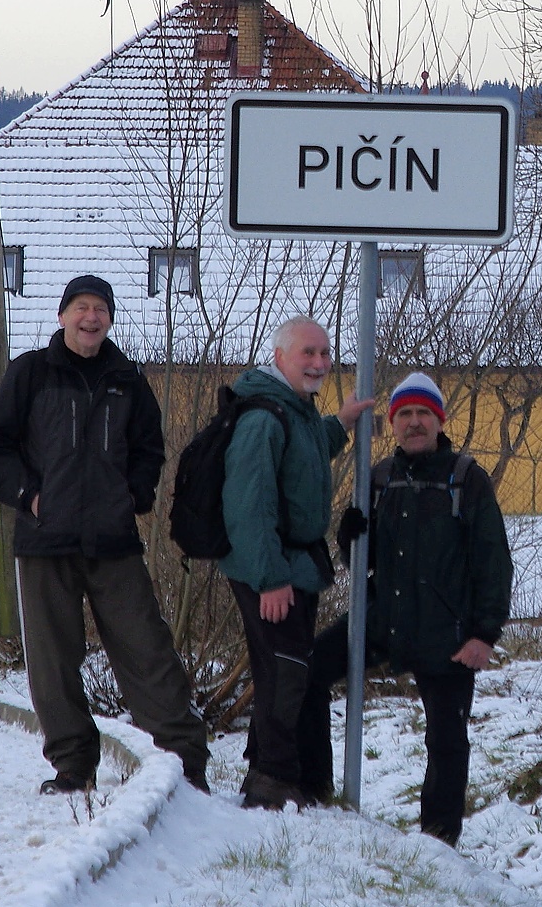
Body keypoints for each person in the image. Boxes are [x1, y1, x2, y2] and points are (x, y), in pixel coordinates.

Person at [0, 275, 210, 795]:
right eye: (81, 307)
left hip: (113, 542)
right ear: (62, 316)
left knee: (147, 649)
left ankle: (185, 762)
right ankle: (73, 766)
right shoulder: (31, 373)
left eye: (100, 309)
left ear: (109, 318)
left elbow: (150, 446)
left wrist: (134, 497)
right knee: (52, 662)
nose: (91, 317)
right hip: (44, 540)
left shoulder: (127, 378)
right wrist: (27, 496)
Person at [298, 371, 513, 846]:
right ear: (391, 424)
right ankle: (314, 793)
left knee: (447, 740)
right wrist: (349, 537)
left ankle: (438, 844)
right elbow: (365, 565)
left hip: (447, 633)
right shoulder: (378, 481)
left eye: (423, 414)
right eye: (404, 415)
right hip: (384, 622)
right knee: (307, 670)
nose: (414, 423)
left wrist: (484, 635)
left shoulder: (466, 480)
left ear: (439, 421)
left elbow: (493, 563)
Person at [219, 315, 372, 810]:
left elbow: (304, 457)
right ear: (280, 356)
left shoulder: (296, 412)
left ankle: (275, 775)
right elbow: (249, 505)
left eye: (325, 353)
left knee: (282, 670)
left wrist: (342, 423)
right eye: (308, 353)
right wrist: (270, 579)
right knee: (285, 673)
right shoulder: (263, 418)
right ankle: (272, 785)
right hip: (274, 569)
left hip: (295, 566)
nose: (320, 363)